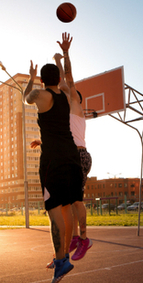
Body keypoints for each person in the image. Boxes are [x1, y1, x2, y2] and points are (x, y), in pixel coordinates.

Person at [24, 32, 83, 283]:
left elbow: (26, 97)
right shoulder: (66, 93)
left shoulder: (41, 95)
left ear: (41, 79)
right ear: (58, 79)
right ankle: (63, 256)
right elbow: (69, 76)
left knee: (54, 213)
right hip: (73, 159)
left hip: (53, 162)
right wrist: (66, 54)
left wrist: (29, 78)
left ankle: (61, 261)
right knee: (68, 208)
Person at [32, 43, 93, 264]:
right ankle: (67, 249)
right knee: (66, 205)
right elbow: (62, 82)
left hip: (79, 156)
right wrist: (42, 141)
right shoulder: (64, 105)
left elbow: (68, 78)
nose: (66, 87)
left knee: (75, 202)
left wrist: (64, 56)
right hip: (70, 155)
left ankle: (83, 239)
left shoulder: (74, 99)